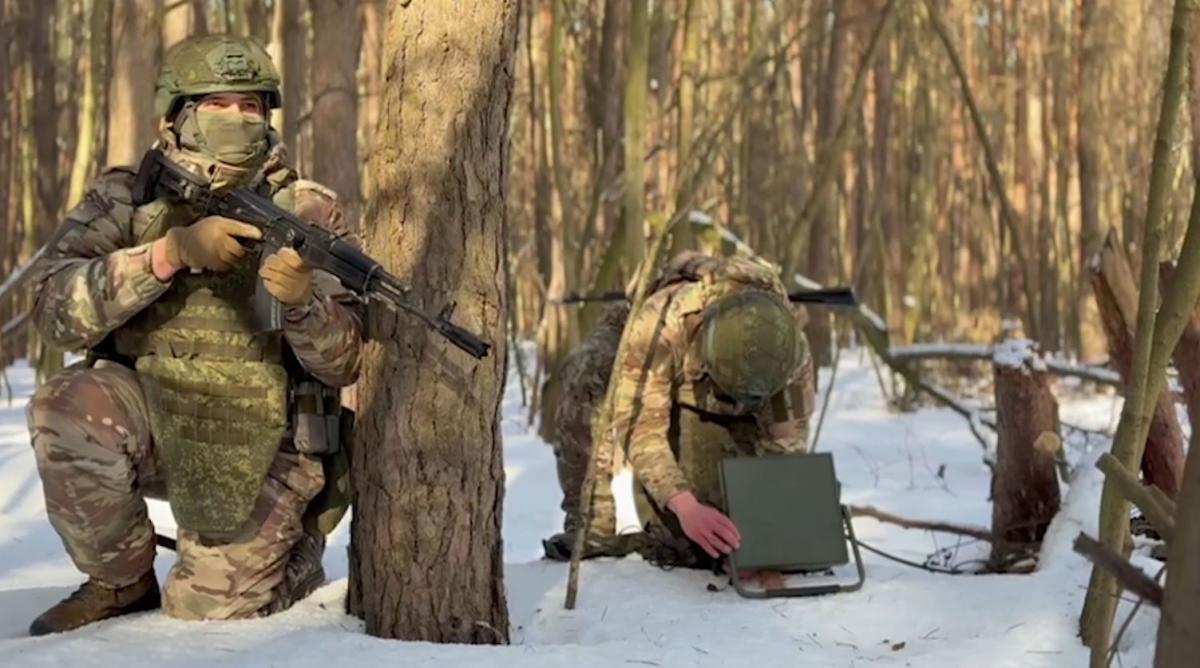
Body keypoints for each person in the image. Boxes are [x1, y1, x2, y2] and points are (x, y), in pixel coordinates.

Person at [24, 34, 362, 634]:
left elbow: (345, 363)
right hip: (155, 410)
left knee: (204, 616)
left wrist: (303, 302)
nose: (236, 118)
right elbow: (54, 310)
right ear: (176, 114)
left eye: (251, 107)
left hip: (263, 433)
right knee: (65, 408)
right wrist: (168, 253)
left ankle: (295, 558)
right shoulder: (127, 198)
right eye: (217, 104)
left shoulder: (307, 210)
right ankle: (121, 584)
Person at [544, 252, 815, 569]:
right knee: (591, 372)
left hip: (721, 383)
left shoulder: (791, 353)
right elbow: (639, 426)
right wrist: (684, 505)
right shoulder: (661, 324)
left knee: (707, 537)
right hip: (658, 363)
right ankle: (593, 526)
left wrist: (770, 532)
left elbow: (784, 448)